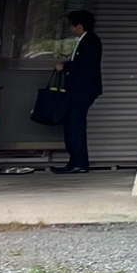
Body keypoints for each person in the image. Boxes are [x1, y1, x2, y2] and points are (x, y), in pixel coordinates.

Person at [52, 10, 101, 174]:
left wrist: (65, 66)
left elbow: (84, 63)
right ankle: (75, 161)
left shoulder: (90, 41)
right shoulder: (85, 40)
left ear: (79, 26)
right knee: (73, 125)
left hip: (82, 91)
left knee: (75, 126)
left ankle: (79, 163)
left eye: (71, 25)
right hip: (79, 90)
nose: (69, 28)